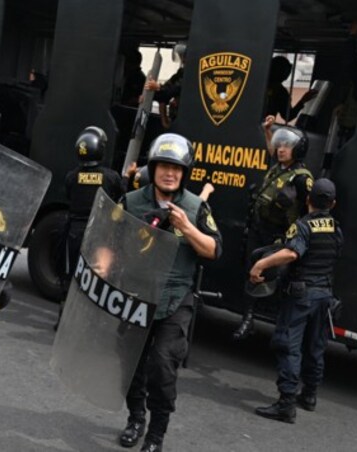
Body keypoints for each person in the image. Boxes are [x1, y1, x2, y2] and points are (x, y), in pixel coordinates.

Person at [118, 133, 222, 452]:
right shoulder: (131, 202)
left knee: (162, 363)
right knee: (130, 364)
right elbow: (108, 242)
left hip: (176, 299)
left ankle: (156, 435)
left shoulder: (195, 207)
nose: (170, 173)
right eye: (164, 166)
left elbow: (215, 249)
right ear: (154, 167)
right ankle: (136, 418)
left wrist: (188, 228)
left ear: (184, 172)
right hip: (136, 295)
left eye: (177, 168)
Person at [250, 178, 343, 423]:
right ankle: (309, 396)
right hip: (324, 296)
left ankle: (286, 404)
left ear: (309, 200)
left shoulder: (303, 225)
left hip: (301, 296)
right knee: (315, 347)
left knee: (288, 346)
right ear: (333, 204)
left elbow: (292, 253)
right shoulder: (336, 228)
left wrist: (260, 264)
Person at [232, 117, 313, 340]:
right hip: (259, 230)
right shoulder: (278, 168)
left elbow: (309, 211)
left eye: (287, 146)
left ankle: (284, 329)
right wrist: (268, 131)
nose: (281, 149)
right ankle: (247, 319)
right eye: (281, 145)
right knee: (252, 273)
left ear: (298, 149)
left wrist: (299, 238)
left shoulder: (301, 179)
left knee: (276, 280)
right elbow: (271, 149)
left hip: (280, 236)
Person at [54, 126, 129, 330]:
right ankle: (90, 324)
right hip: (99, 232)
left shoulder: (71, 176)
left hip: (74, 232)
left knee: (70, 275)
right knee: (97, 275)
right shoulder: (110, 176)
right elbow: (123, 193)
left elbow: (70, 195)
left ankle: (63, 320)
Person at [144, 43, 186, 130]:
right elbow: (163, 94)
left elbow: (173, 89)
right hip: (174, 118)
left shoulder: (190, 75)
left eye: (183, 56)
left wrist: (158, 87)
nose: (182, 59)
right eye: (181, 56)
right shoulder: (179, 74)